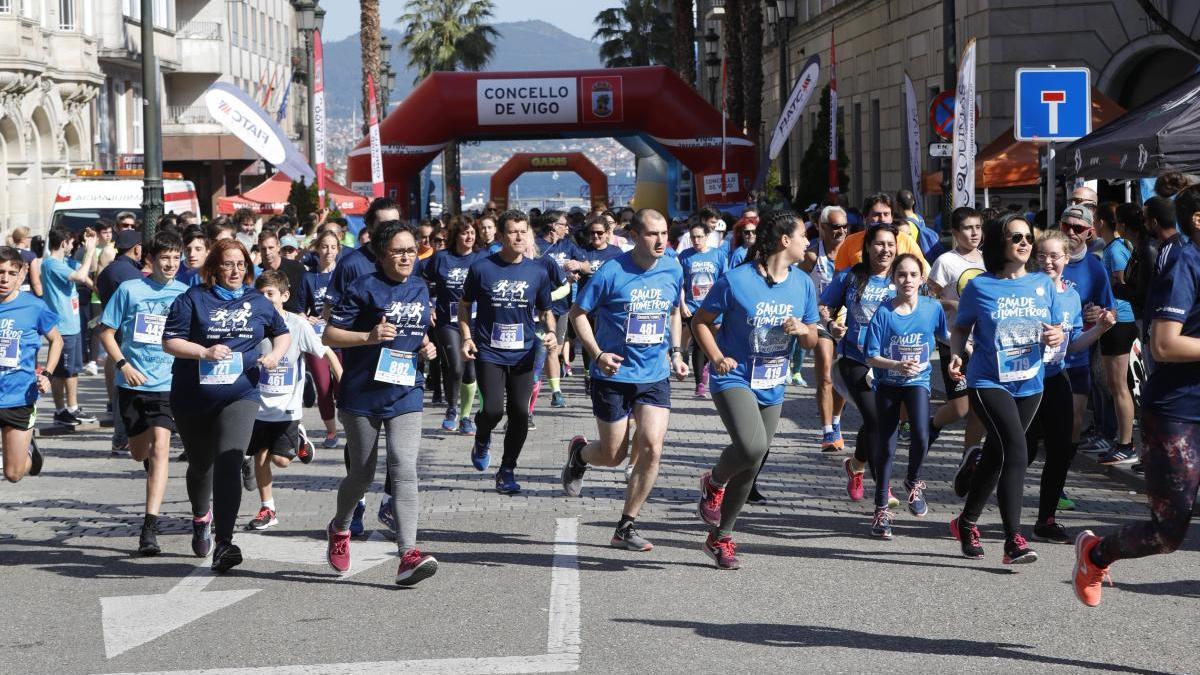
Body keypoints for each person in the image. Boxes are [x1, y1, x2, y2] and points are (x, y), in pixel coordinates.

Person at [1073, 207, 1200, 606]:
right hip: (1179, 415)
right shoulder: (1184, 262)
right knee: (1167, 533)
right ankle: (1096, 554)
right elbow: (1164, 344)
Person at [693, 211, 820, 568]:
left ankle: (721, 539)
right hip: (734, 376)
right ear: (784, 241)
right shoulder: (736, 281)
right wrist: (716, 356)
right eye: (803, 236)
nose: (807, 242)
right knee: (753, 446)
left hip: (773, 381)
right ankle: (714, 482)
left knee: (752, 462)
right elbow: (700, 321)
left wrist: (801, 331)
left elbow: (813, 339)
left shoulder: (803, 284)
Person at [561, 208, 687, 551]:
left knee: (652, 447)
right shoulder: (612, 271)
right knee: (614, 454)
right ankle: (580, 455)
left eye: (664, 233)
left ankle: (627, 525)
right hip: (613, 374)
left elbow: (675, 310)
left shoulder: (673, 267)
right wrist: (598, 354)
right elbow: (578, 314)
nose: (660, 240)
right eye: (652, 234)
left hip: (653, 374)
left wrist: (675, 352)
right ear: (634, 235)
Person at [163, 238, 291, 572]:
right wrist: (203, 352)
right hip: (193, 395)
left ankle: (225, 542)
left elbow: (282, 332)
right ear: (214, 268)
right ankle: (200, 515)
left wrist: (275, 355)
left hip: (241, 393)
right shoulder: (193, 299)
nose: (234, 271)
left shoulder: (258, 302)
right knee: (201, 465)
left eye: (240, 265)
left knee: (230, 460)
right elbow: (170, 341)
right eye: (227, 264)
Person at [324, 221, 439, 585]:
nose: (407, 257)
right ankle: (340, 527)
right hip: (362, 393)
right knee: (362, 474)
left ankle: (408, 554)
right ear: (381, 255)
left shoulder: (420, 286)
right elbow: (329, 333)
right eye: (399, 251)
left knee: (404, 468)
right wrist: (368, 336)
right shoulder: (362, 287)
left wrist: (424, 345)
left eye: (412, 250)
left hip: (406, 390)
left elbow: (414, 330)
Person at [946, 213, 1064, 564]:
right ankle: (1014, 540)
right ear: (1001, 242)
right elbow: (960, 328)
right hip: (988, 381)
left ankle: (965, 523)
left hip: (1031, 382)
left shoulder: (1043, 283)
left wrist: (1057, 336)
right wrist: (955, 355)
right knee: (1016, 450)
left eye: (1028, 237)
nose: (1025, 243)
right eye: (1016, 237)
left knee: (998, 455)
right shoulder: (980, 287)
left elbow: (1057, 330)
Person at [97, 232, 188, 554]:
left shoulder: (184, 293)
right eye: (165, 257)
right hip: (132, 383)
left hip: (167, 383)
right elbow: (106, 332)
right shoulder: (130, 290)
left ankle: (149, 528)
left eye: (177, 258)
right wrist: (123, 365)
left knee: (162, 448)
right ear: (150, 259)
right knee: (139, 452)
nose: (172, 264)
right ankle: (147, 461)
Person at [460, 209, 558, 494]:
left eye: (523, 230)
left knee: (519, 412)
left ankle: (507, 470)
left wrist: (551, 332)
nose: (519, 236)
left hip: (524, 352)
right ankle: (482, 435)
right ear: (501, 235)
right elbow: (465, 306)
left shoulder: (538, 270)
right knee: (492, 410)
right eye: (512, 231)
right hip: (489, 350)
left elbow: (546, 311)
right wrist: (467, 336)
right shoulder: (481, 268)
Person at [1025, 230, 1114, 545]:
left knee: (1061, 449)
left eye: (1054, 256)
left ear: (1065, 259)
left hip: (1057, 376)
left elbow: (1074, 345)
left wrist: (1100, 329)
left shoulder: (1071, 295)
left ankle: (1046, 519)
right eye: (1042, 255)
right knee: (1024, 449)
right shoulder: (1024, 290)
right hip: (1026, 379)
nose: (1048, 261)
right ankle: (978, 485)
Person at [244, 270, 342, 531]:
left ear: (285, 296)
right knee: (260, 456)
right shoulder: (251, 323)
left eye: (270, 294)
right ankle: (268, 508)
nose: (265, 299)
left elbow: (325, 351)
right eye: (260, 294)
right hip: (259, 406)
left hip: (287, 407)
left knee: (281, 461)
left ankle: (298, 438)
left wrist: (342, 380)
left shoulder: (298, 326)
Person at [863, 253, 949, 538]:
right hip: (888, 384)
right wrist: (896, 364)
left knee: (922, 434)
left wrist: (966, 347)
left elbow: (945, 336)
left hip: (918, 381)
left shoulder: (931, 308)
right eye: (901, 275)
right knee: (886, 447)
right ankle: (880, 512)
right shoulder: (884, 313)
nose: (907, 280)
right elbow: (871, 355)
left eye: (913, 275)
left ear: (922, 279)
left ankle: (912, 481)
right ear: (893, 279)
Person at [821, 223, 898, 503]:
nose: (885, 250)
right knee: (876, 418)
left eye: (890, 244)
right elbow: (824, 306)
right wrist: (832, 324)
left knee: (876, 421)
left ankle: (855, 465)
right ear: (867, 247)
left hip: (891, 363)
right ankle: (883, 487)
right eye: (879, 244)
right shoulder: (850, 277)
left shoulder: (904, 277)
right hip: (856, 360)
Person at [927, 207, 988, 489]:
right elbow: (927, 298)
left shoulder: (991, 260)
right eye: (967, 228)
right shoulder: (945, 262)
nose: (974, 233)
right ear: (955, 233)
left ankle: (969, 462)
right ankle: (932, 425)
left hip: (985, 342)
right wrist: (950, 304)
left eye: (977, 227)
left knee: (979, 408)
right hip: (955, 341)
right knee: (962, 407)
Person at [1056, 206, 1121, 462]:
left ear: (1090, 233)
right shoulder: (1045, 260)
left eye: (1078, 228)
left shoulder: (1095, 267)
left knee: (1074, 421)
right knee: (1047, 425)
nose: (1071, 232)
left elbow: (1111, 309)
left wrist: (1101, 316)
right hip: (1045, 359)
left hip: (1078, 354)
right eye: (1065, 226)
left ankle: (1059, 479)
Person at [0, 247, 60, 483]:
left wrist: (47, 373)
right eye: (0, 272)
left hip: (19, 396)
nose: (4, 278)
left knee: (13, 474)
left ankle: (30, 453)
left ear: (21, 274)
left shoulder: (34, 306)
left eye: (11, 273)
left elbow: (57, 339)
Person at [423, 215, 482, 435]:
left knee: (470, 372)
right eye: (465, 232)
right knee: (456, 366)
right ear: (456, 235)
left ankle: (466, 417)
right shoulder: (441, 258)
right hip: (447, 322)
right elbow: (420, 279)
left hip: (476, 323)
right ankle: (451, 409)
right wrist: (427, 306)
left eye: (472, 233)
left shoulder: (481, 258)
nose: (469, 236)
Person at [1094, 202, 1139, 465]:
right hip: (1112, 320)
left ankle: (1126, 443)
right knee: (1113, 385)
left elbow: (1124, 284)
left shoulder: (1117, 249)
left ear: (1101, 222)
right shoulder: (1111, 247)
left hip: (1120, 320)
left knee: (1119, 386)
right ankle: (1121, 441)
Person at [801, 206, 849, 452]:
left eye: (844, 226)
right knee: (827, 376)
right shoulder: (811, 256)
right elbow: (796, 283)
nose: (840, 231)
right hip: (820, 323)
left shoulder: (852, 254)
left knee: (842, 378)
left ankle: (837, 422)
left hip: (848, 322)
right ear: (821, 228)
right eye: (834, 227)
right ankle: (827, 431)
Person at [41, 226, 99, 427]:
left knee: (73, 370)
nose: (73, 245)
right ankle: (60, 410)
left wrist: (91, 246)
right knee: (61, 372)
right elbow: (80, 276)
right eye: (71, 242)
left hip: (72, 325)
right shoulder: (51, 264)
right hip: (62, 327)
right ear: (64, 242)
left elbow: (88, 269)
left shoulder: (64, 262)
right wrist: (90, 250)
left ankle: (72, 408)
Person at [296, 229, 341, 448]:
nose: (329, 251)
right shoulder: (308, 277)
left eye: (333, 247)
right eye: (324, 246)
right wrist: (306, 319)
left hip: (343, 338)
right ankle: (331, 432)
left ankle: (351, 425)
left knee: (343, 385)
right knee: (323, 387)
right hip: (317, 340)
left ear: (338, 249)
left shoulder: (344, 274)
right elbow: (299, 309)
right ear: (317, 248)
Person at [537, 211, 586, 408]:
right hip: (538, 309)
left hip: (562, 305)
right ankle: (553, 391)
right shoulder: (537, 247)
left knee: (554, 349)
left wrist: (578, 265)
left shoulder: (568, 245)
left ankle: (553, 388)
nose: (567, 228)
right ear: (551, 226)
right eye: (563, 225)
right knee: (542, 350)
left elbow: (588, 266)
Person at [678, 218, 729, 398]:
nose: (696, 241)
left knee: (712, 340)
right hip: (693, 307)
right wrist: (683, 305)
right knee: (699, 343)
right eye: (693, 237)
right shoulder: (684, 256)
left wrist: (725, 305)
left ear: (707, 236)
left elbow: (725, 282)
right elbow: (681, 285)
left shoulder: (718, 255)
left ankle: (707, 366)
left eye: (700, 237)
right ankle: (700, 383)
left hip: (713, 307)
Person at [834, 194, 927, 272]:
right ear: (865, 218)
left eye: (886, 214)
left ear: (892, 217)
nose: (882, 219)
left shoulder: (906, 241)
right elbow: (839, 277)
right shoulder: (850, 241)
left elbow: (921, 274)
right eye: (876, 215)